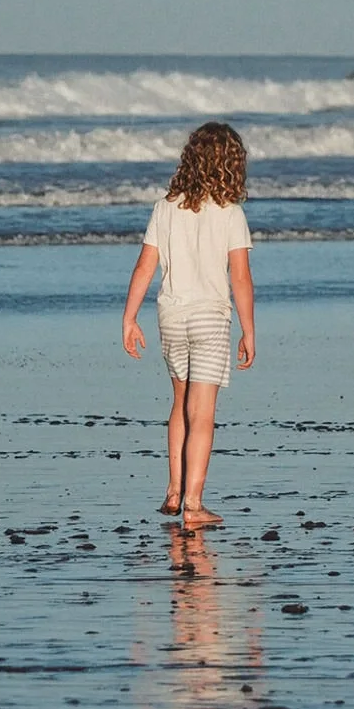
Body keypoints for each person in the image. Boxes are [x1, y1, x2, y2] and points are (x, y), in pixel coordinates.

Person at [121, 121, 255, 529]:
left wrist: (129, 317)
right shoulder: (231, 212)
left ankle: (174, 489)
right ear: (232, 164)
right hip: (210, 317)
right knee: (203, 412)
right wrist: (249, 330)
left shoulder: (166, 207)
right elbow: (240, 277)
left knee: (179, 403)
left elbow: (146, 265)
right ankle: (194, 505)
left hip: (171, 315)